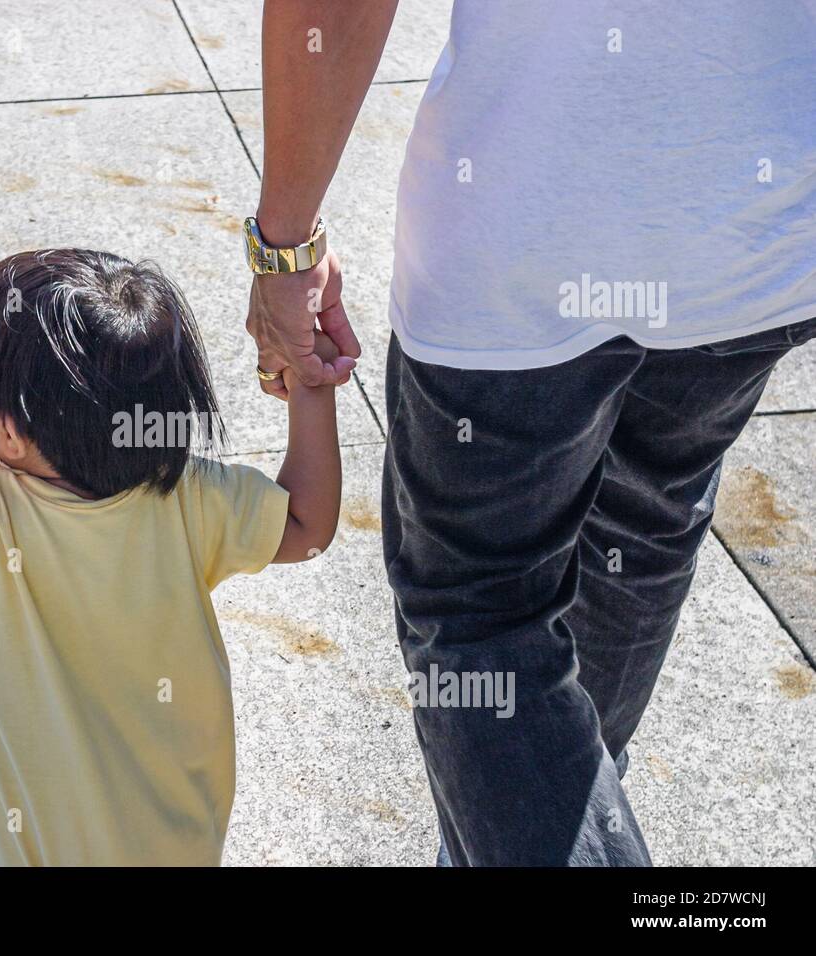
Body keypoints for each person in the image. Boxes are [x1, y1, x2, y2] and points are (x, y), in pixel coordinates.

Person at [246, 0, 816, 864]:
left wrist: (284, 248)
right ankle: (561, 810)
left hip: (527, 237)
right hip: (758, 231)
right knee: (644, 524)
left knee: (481, 612)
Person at [0, 249, 347, 865]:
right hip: (178, 839)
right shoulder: (188, 494)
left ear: (10, 433)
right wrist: (311, 385)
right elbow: (307, 526)